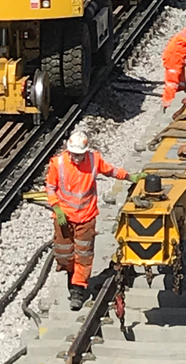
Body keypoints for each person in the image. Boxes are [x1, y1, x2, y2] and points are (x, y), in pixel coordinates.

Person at [46, 130, 147, 309]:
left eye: (80, 155)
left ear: (86, 151)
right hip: (64, 217)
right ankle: (71, 276)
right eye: (74, 155)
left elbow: (111, 170)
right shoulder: (58, 163)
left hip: (86, 216)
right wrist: (56, 207)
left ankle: (77, 290)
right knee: (64, 253)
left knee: (83, 255)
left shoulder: (94, 160)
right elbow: (51, 187)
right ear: (68, 151)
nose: (77, 159)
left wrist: (130, 176)